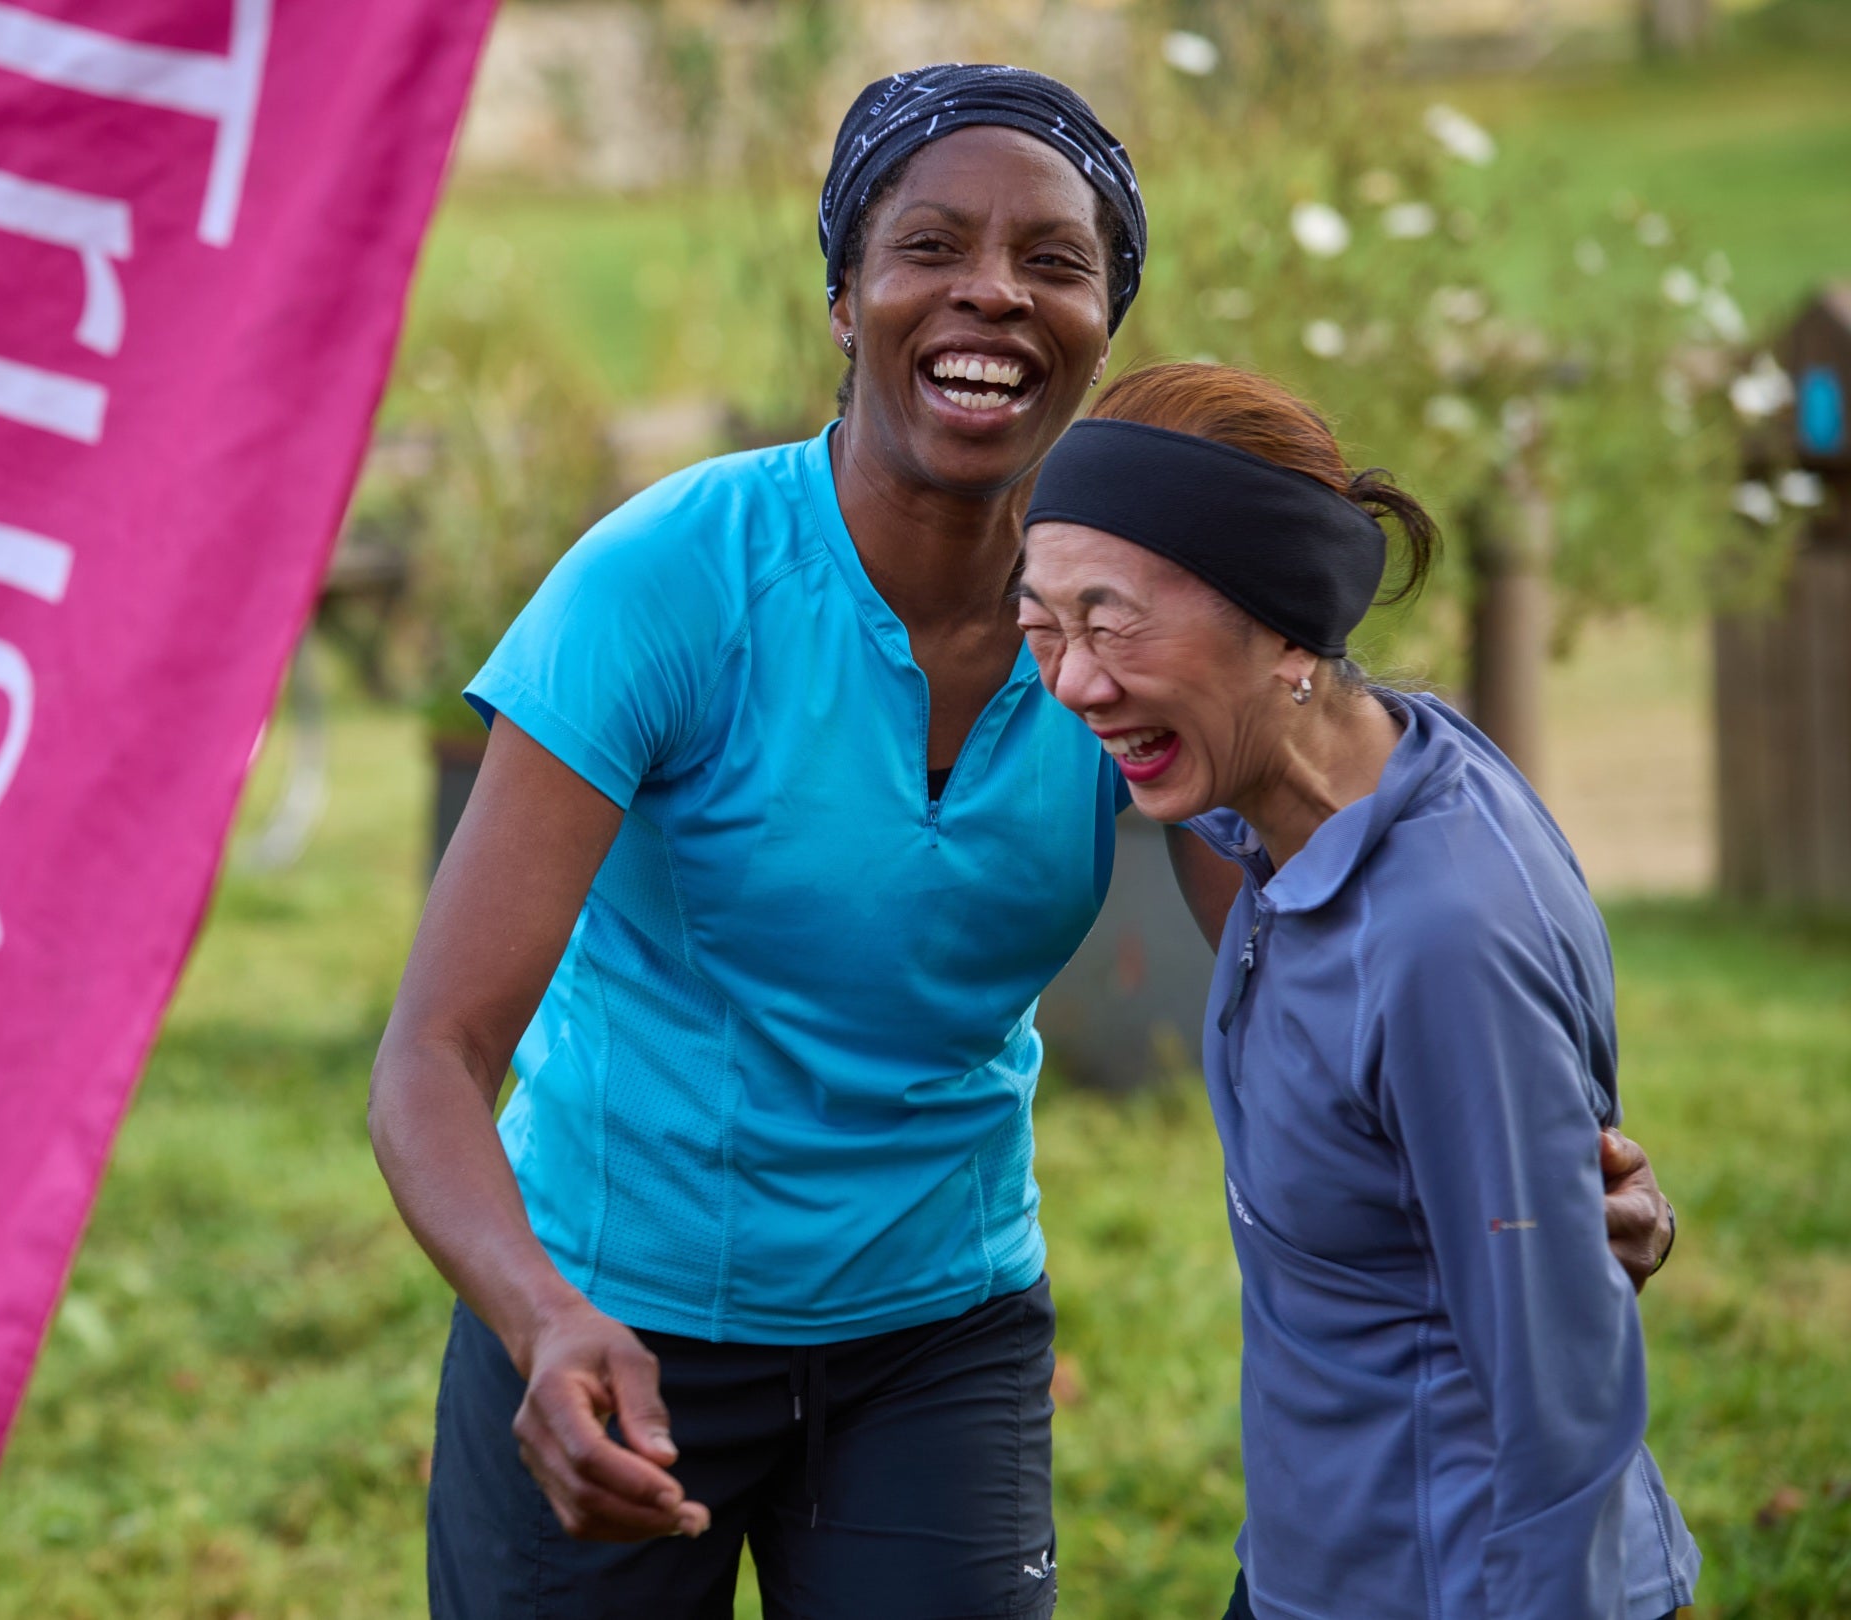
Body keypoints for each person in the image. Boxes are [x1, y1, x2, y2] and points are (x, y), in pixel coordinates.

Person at [366, 63, 1675, 1620]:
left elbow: (1324, 940)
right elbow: (433, 1056)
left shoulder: (1126, 640)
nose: (992, 292)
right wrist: (540, 1319)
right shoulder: (666, 584)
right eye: (929, 247)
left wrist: (1533, 1165)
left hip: (940, 1329)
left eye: (1055, 261)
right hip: (614, 1318)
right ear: (847, 297)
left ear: (1104, 324)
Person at [1016, 362, 1701, 1620]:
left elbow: (1562, 1413)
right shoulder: (1356, 777)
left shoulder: (1439, 936)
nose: (1073, 682)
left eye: (1112, 625)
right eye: (1044, 630)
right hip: (1310, 1566)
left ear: (1283, 625)